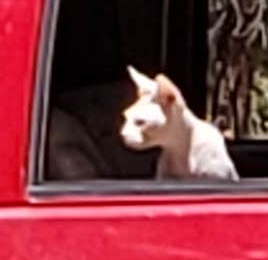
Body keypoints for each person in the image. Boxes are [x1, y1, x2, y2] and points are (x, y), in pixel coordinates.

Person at [43, 65, 237, 184]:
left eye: (140, 123)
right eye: (129, 121)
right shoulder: (168, 154)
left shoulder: (208, 149)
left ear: (171, 102)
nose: (124, 132)